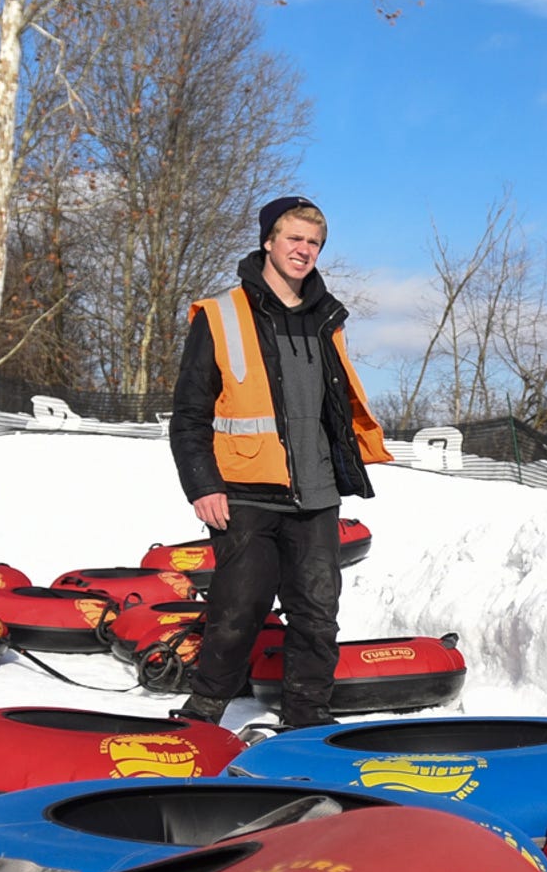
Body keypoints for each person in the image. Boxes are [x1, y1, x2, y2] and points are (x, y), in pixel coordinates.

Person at [166, 195, 392, 728]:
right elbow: (189, 412)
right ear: (268, 241)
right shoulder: (221, 314)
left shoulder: (326, 319)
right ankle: (203, 715)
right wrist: (202, 484)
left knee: (317, 614)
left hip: (315, 493)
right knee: (236, 611)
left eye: (313, 242)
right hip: (243, 490)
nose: (304, 250)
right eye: (294, 238)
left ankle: (307, 720)